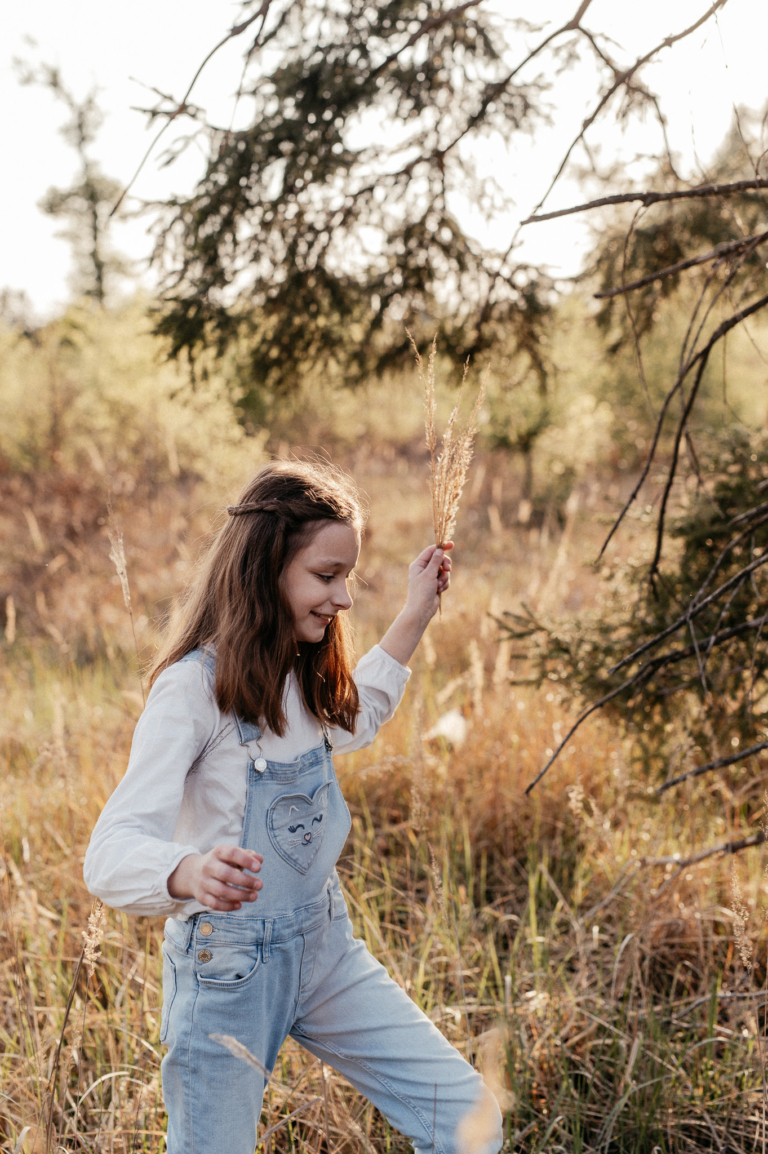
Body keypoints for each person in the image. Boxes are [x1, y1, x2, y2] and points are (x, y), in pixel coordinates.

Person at [84, 460, 502, 1154]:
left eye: (348, 578)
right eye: (325, 575)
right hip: (228, 972)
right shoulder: (193, 691)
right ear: (265, 569)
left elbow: (356, 717)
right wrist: (188, 871)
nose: (341, 597)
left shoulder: (303, 670)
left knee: (468, 1121)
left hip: (325, 947)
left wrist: (416, 611)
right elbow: (110, 851)